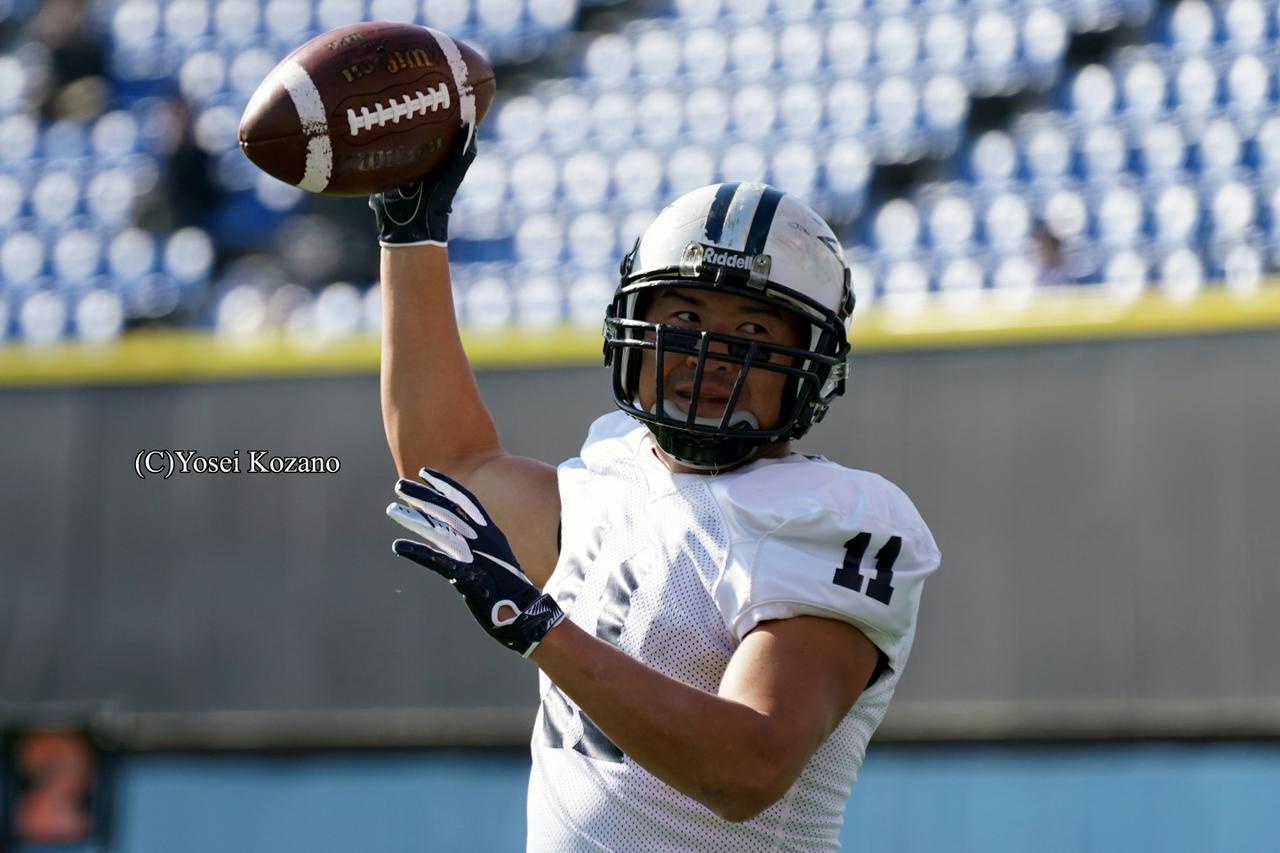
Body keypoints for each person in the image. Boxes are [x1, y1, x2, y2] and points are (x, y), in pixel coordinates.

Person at [372, 128, 941, 851]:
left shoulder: (833, 517)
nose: (708, 355)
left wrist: (540, 628)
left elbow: (748, 764)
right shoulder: (615, 470)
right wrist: (411, 236)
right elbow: (445, 472)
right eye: (685, 320)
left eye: (751, 333)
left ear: (809, 364)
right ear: (634, 328)